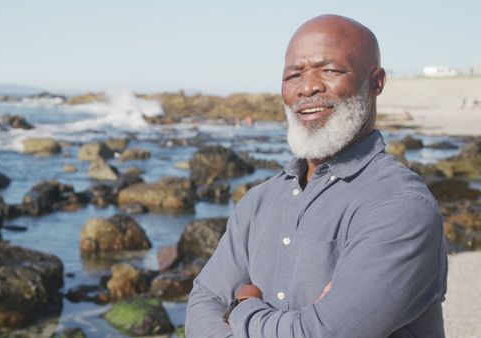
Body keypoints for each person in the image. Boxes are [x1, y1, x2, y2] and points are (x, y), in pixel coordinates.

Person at [185, 14, 447, 338]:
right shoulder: (258, 202)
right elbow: (203, 303)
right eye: (294, 75)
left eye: (330, 70)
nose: (308, 87)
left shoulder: (401, 206)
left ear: (376, 82)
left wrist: (242, 309)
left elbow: (323, 333)